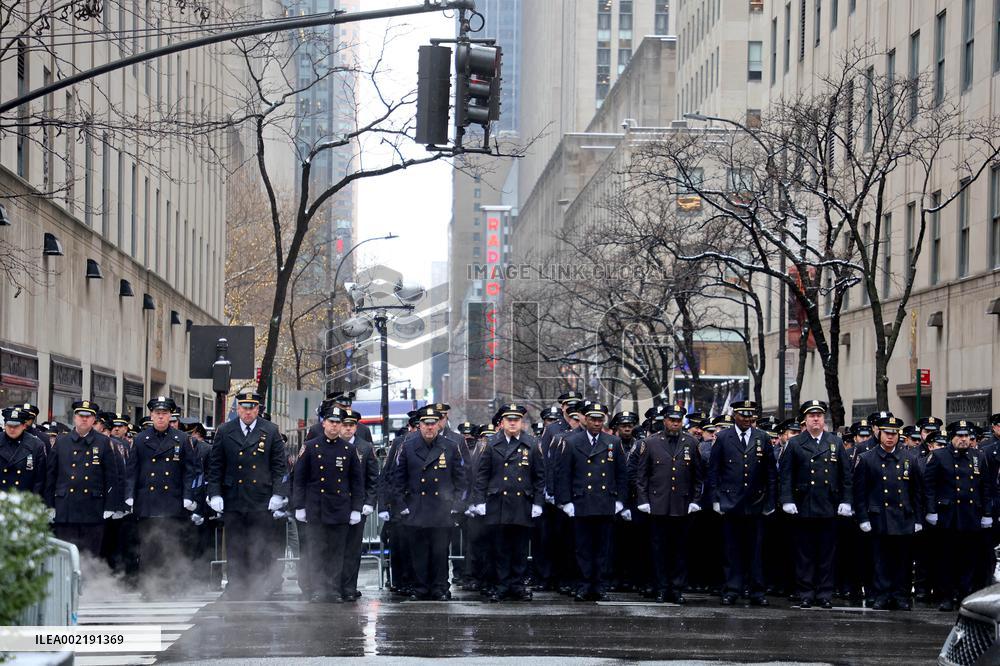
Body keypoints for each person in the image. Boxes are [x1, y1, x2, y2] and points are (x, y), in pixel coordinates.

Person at [206, 391, 289, 601]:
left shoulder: (270, 430)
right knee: (235, 545)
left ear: (258, 409)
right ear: (238, 409)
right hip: (233, 496)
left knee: (260, 544)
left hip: (261, 497)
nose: (248, 412)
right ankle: (236, 585)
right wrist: (214, 494)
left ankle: (258, 585)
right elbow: (215, 466)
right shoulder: (225, 430)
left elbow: (279, 467)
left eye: (252, 408)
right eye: (244, 408)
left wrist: (278, 494)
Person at [778, 400, 852, 609]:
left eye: (819, 415)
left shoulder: (834, 442)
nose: (816, 419)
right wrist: (787, 499)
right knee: (805, 554)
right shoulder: (795, 443)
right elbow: (786, 476)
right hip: (804, 505)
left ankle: (825, 593)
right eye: (812, 416)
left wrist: (846, 500)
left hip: (829, 505)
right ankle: (806, 593)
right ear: (805, 420)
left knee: (827, 554)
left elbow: (846, 476)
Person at [125, 397, 199, 598]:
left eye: (164, 413)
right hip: (147, 500)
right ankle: (148, 588)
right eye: (157, 413)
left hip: (171, 499)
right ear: (151, 415)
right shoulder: (140, 439)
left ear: (170, 416)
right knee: (148, 546)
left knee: (171, 545)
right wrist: (129, 495)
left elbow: (189, 471)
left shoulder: (181, 439)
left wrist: (188, 495)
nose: (160, 417)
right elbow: (132, 470)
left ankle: (171, 587)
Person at [470, 404, 544, 602]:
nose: (512, 423)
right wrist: (479, 500)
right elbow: (482, 476)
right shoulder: (491, 443)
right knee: (500, 548)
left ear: (522, 422)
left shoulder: (532, 443)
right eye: (509, 420)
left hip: (522, 503)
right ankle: (502, 585)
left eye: (516, 420)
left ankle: (517, 586)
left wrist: (538, 503)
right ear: (501, 422)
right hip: (498, 503)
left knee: (520, 549)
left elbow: (539, 477)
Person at [554, 402, 627, 601]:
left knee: (603, 549)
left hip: (605, 502)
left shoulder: (613, 442)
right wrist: (566, 501)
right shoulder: (571, 442)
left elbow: (621, 474)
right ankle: (584, 585)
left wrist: (620, 500)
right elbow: (563, 474)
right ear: (585, 419)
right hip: (581, 502)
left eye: (600, 419)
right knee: (582, 548)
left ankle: (599, 586)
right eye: (593, 419)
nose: (596, 423)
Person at [392, 407, 467, 600]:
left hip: (442, 510)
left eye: (433, 423)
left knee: (440, 553)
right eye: (426, 423)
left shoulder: (450, 446)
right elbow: (398, 480)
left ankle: (440, 588)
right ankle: (421, 588)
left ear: (438, 425)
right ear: (420, 425)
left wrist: (457, 506)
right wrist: (402, 506)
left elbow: (461, 480)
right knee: (419, 553)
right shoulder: (408, 446)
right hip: (416, 509)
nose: (430, 427)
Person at [292, 406, 364, 603]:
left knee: (336, 553)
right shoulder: (310, 447)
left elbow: (356, 482)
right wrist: (299, 506)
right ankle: (318, 590)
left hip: (340, 509)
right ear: (323, 423)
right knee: (316, 552)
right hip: (316, 508)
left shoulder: (349, 449)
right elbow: (299, 479)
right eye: (331, 422)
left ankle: (333, 590)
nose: (334, 426)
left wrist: (356, 509)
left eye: (338, 422)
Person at [708, 400, 776, 606]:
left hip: (756, 502)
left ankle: (756, 591)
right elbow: (714, 471)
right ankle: (732, 589)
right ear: (735, 416)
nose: (747, 419)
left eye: (750, 415)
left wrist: (770, 501)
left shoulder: (762, 437)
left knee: (756, 551)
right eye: (743, 415)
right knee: (731, 551)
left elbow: (770, 473)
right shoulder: (723, 437)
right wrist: (716, 499)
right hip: (731, 502)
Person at [634, 405, 704, 604]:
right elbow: (642, 476)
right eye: (672, 420)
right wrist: (643, 501)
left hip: (682, 505)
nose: (675, 423)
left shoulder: (691, 442)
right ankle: (661, 588)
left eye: (678, 420)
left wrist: (696, 500)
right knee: (659, 551)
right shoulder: (650, 443)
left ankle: (677, 588)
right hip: (658, 505)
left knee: (680, 550)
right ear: (664, 420)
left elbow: (698, 476)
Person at [852, 416, 923, 610]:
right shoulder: (867, 458)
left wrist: (918, 518)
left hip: (903, 517)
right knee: (880, 560)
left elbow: (916, 492)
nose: (890, 437)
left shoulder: (909, 458)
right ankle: (881, 595)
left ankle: (900, 595)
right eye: (887, 433)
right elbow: (860, 492)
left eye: (894, 433)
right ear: (879, 434)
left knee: (902, 561)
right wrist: (862, 518)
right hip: (879, 516)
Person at [923, 419, 992, 611]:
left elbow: (985, 487)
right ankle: (946, 596)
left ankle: (963, 594)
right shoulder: (939, 456)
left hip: (971, 515)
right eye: (960, 436)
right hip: (948, 516)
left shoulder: (978, 456)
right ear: (952, 437)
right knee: (947, 558)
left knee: (968, 559)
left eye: (967, 436)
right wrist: (931, 510)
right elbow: (929, 486)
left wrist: (987, 513)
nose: (964, 439)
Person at [45, 400, 120, 560]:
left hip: (92, 509)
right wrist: (49, 504)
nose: (84, 419)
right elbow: (51, 475)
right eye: (81, 416)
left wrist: (110, 506)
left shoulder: (103, 442)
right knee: (66, 557)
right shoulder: (61, 441)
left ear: (94, 420)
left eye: (88, 416)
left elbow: (111, 476)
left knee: (90, 557)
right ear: (74, 418)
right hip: (66, 508)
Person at [339, 409, 378, 602]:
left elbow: (373, 478)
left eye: (351, 425)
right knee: (334, 548)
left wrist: (370, 502)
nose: (348, 429)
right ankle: (333, 586)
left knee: (353, 549)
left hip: (357, 505)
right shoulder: (331, 444)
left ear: (356, 427)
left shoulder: (365, 447)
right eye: (345, 425)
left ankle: (349, 587)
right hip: (335, 505)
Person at [0, 405, 47, 496]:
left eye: (16, 426)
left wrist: (33, 500)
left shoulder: (36, 445)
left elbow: (40, 479)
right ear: (5, 425)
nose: (12, 429)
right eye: (9, 425)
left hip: (24, 499)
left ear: (24, 426)